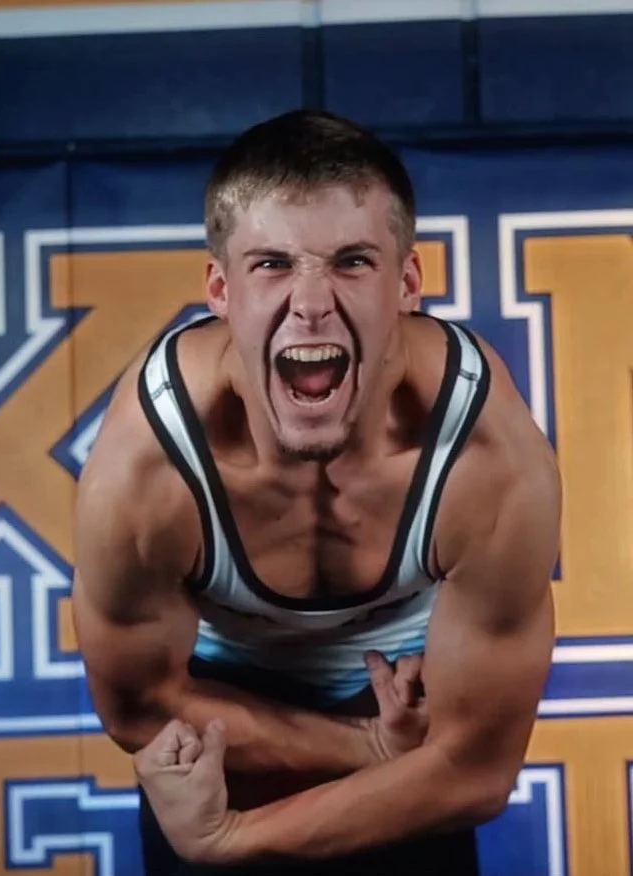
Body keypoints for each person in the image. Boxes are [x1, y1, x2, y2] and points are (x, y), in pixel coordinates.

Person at [71, 109, 561, 875]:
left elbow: (474, 769)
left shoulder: (482, 452)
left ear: (407, 284)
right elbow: (137, 704)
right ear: (218, 289)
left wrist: (229, 841)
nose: (310, 302)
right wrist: (363, 746)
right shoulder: (151, 463)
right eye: (270, 263)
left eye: (352, 262)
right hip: (228, 720)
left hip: (411, 719)